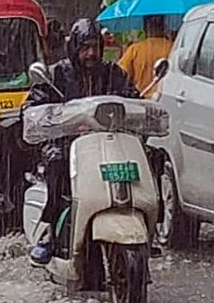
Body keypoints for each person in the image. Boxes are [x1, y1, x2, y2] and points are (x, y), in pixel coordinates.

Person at [25, 18, 140, 266]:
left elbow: (134, 100)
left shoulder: (113, 73)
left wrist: (141, 112)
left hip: (109, 143)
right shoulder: (56, 74)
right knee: (56, 162)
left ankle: (148, 227)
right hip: (69, 145)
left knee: (150, 157)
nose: (90, 53)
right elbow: (33, 106)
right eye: (85, 47)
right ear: (74, 47)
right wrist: (51, 117)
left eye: (95, 47)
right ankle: (50, 232)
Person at [117, 15, 173, 98]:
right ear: (164, 26)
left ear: (145, 28)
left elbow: (121, 76)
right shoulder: (174, 48)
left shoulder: (134, 49)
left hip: (140, 100)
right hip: (166, 99)